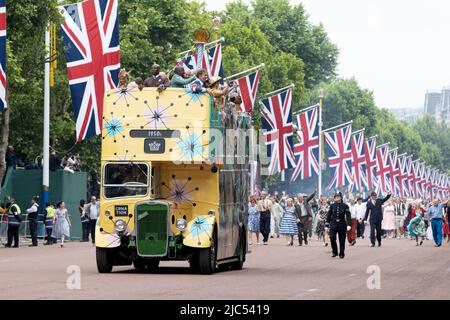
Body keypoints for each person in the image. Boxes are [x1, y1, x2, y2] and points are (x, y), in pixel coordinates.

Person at [326, 192, 352, 258]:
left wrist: (349, 224)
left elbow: (348, 216)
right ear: (334, 198)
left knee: (342, 240)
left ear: (341, 197)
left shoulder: (345, 206)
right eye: (336, 197)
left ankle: (341, 253)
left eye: (338, 197)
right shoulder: (332, 206)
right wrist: (327, 224)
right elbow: (329, 215)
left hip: (342, 224)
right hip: (333, 224)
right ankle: (335, 251)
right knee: (332, 237)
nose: (337, 198)